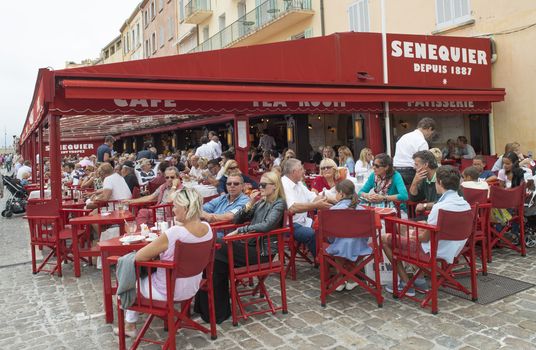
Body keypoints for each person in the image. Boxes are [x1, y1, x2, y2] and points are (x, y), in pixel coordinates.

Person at [118, 188, 213, 337]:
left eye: (175, 206)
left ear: (186, 208)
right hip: (194, 285)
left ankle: (129, 324)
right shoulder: (208, 228)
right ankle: (130, 323)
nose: (173, 210)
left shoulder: (175, 232)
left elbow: (139, 257)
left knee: (127, 283)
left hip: (168, 291)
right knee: (136, 277)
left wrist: (158, 257)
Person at [202, 171, 286, 323]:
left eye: (263, 185)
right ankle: (215, 311)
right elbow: (237, 219)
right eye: (259, 184)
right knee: (216, 263)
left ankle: (215, 310)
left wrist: (240, 231)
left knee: (216, 246)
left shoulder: (279, 203)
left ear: (274, 187)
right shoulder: (260, 202)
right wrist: (250, 203)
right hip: (247, 245)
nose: (259, 187)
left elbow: (266, 226)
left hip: (261, 252)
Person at [382, 165, 471, 296]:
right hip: (455, 247)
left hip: (433, 250)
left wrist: (412, 235)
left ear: (439, 182)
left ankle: (406, 282)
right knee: (408, 228)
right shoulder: (465, 204)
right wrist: (422, 227)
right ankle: (419, 279)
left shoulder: (440, 207)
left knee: (385, 238)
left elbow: (424, 238)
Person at [282, 158, 332, 256]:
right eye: (301, 169)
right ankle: (322, 261)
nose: (303, 171)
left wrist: (330, 199)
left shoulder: (298, 183)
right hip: (289, 225)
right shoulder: (284, 184)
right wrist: (316, 205)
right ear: (293, 172)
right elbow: (292, 208)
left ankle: (329, 259)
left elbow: (313, 197)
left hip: (304, 221)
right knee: (312, 234)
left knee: (326, 229)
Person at [324, 180, 367, 292]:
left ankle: (340, 279)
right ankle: (351, 280)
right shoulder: (363, 210)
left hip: (338, 249)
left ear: (341, 193)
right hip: (360, 249)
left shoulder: (333, 210)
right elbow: (366, 235)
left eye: (336, 193)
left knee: (338, 243)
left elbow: (330, 236)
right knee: (354, 242)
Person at [393, 117, 436, 185]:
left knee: (401, 194)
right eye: (431, 133)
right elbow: (423, 164)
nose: (430, 135)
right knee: (414, 194)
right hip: (410, 172)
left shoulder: (404, 137)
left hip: (396, 171)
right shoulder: (422, 141)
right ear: (430, 129)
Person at [409, 151, 440, 216]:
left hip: (440, 218)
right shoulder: (424, 179)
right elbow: (414, 199)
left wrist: (425, 205)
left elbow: (444, 202)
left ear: (426, 165)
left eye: (416, 164)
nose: (414, 167)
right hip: (431, 215)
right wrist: (414, 182)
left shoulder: (442, 177)